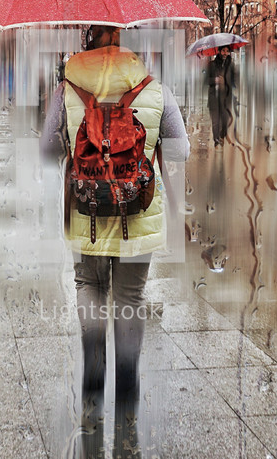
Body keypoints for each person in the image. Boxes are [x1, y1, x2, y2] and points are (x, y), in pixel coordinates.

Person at [40, 25, 190, 459]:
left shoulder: (66, 88)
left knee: (88, 287)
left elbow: (49, 153)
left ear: (87, 41)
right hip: (138, 215)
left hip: (85, 215)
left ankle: (91, 386)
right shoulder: (154, 87)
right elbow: (180, 153)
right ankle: (127, 401)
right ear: (123, 41)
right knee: (130, 295)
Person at [205, 45, 237, 148]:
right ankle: (216, 140)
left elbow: (234, 81)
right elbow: (206, 81)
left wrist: (226, 82)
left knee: (224, 120)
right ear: (219, 51)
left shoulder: (231, 65)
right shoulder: (211, 65)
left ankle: (222, 136)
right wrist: (215, 80)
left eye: (227, 51)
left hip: (226, 98)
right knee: (215, 121)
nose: (225, 53)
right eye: (223, 50)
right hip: (214, 97)